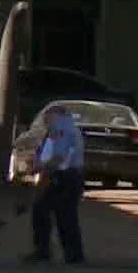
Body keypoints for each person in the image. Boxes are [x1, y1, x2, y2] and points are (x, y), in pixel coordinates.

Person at [25, 104, 87, 264]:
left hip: (64, 177)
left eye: (47, 118)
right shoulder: (69, 128)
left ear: (55, 115)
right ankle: (69, 254)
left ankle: (57, 253)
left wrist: (38, 167)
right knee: (53, 213)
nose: (45, 122)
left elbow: (59, 157)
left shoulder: (62, 129)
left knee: (60, 215)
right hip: (69, 176)